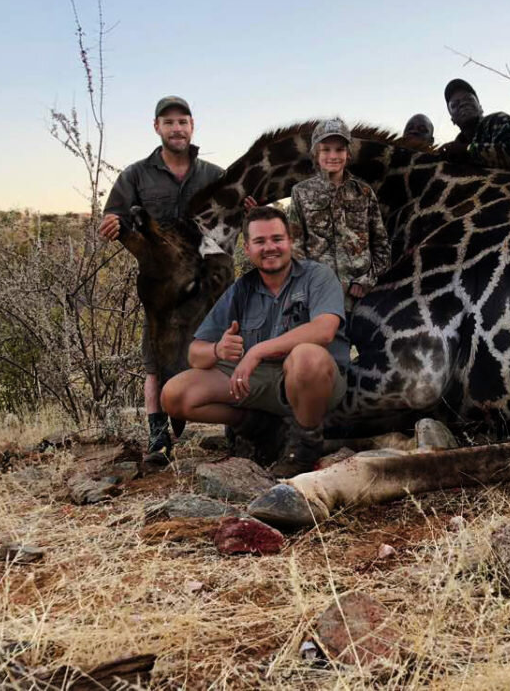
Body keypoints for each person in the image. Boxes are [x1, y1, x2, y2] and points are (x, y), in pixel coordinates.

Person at [160, 206, 349, 477]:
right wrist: (218, 349)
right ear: (247, 249)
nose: (269, 247)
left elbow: (324, 330)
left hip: (313, 382)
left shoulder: (317, 276)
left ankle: (305, 446)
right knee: (174, 395)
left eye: (277, 239)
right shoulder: (241, 289)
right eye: (260, 241)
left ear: (290, 242)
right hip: (260, 382)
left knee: (307, 356)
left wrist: (256, 351)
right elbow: (195, 354)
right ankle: (258, 428)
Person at [98, 96, 225, 463]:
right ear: (157, 127)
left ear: (192, 125)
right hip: (163, 287)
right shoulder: (136, 175)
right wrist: (110, 224)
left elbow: (235, 213)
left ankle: (235, 429)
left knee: (222, 348)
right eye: (168, 122)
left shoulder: (213, 175)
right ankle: (158, 437)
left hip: (207, 285)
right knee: (155, 358)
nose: (176, 128)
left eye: (182, 121)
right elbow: (114, 217)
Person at [287, 118, 391, 312]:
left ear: (348, 154)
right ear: (315, 154)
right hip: (319, 298)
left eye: (340, 149)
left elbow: (381, 245)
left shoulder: (364, 192)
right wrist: (310, 284)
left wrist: (366, 280)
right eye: (326, 149)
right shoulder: (300, 192)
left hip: (364, 299)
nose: (333, 155)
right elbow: (295, 247)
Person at [438, 79, 510, 169]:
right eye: (454, 105)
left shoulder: (497, 121)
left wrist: (468, 150)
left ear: (480, 108)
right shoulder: (456, 146)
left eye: (468, 99)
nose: (462, 104)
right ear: (452, 119)